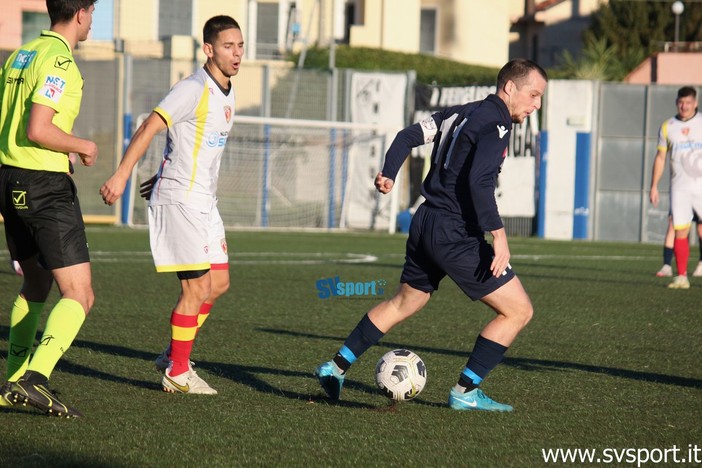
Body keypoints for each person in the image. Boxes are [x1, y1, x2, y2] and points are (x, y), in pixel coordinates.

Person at [314, 59, 548, 412]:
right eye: (534, 95)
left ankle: (335, 368)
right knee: (518, 311)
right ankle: (465, 391)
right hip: (454, 232)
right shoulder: (497, 123)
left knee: (406, 301)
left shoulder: (460, 113)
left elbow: (407, 135)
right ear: (510, 88)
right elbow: (479, 182)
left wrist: (389, 172)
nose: (536, 105)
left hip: (424, 222)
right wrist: (499, 235)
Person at [99, 15, 244, 395]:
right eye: (228, 46)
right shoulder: (192, 89)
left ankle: (171, 355)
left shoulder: (227, 91)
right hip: (181, 201)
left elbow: (187, 144)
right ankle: (177, 372)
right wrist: (122, 175)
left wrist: (162, 174)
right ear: (208, 49)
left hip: (203, 202)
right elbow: (150, 126)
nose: (237, 53)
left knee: (219, 284)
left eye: (240, 46)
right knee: (195, 290)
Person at [0, 0, 98, 418]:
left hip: (9, 179)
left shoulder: (23, 53)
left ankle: (11, 382)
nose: (92, 21)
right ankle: (33, 379)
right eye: (93, 12)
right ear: (81, 13)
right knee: (80, 293)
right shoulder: (59, 60)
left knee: (36, 284)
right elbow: (38, 128)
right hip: (43, 185)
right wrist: (81, 145)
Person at [650, 86, 702, 289]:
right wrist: (653, 185)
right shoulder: (667, 126)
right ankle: (681, 276)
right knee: (680, 229)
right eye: (681, 102)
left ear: (695, 103)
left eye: (688, 102)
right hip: (679, 187)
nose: (684, 106)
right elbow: (661, 157)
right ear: (676, 102)